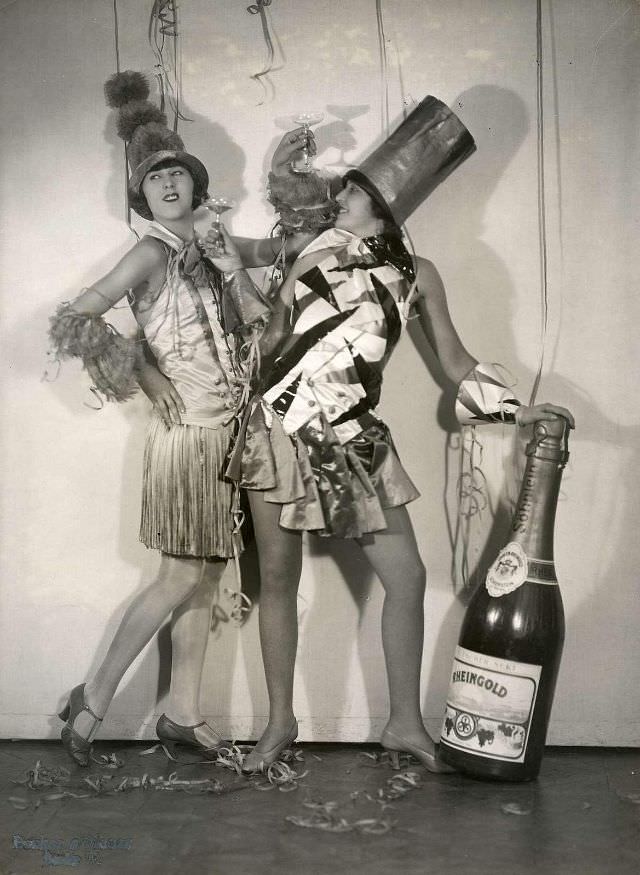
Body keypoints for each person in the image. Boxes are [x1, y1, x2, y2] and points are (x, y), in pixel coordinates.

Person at [206, 96, 575, 774]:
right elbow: (270, 333)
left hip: (349, 441)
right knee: (279, 579)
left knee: (406, 576)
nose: (341, 196)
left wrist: (512, 408)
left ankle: (404, 723)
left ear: (385, 205)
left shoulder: (417, 274)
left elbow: (455, 363)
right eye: (344, 190)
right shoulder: (310, 249)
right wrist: (234, 273)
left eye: (354, 192)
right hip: (283, 431)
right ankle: (278, 722)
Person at [49, 71, 273, 766]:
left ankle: (182, 712)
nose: (169, 183)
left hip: (229, 433)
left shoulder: (211, 251)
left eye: (178, 172)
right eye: (156, 177)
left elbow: (265, 293)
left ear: (196, 187)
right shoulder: (150, 252)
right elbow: (76, 316)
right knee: (180, 577)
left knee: (206, 579)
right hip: (185, 437)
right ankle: (90, 703)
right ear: (142, 194)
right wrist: (143, 372)